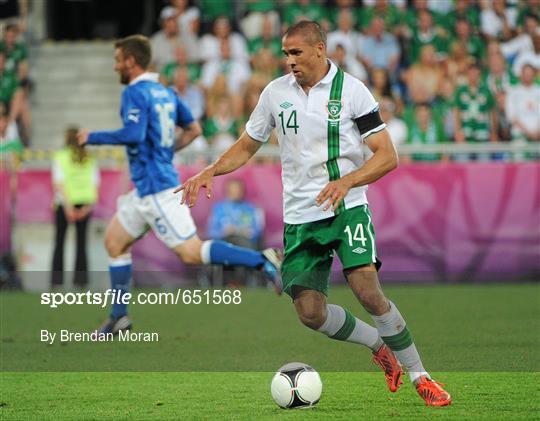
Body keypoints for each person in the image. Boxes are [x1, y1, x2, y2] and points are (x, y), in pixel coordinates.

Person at [177, 21, 451, 407]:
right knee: (310, 314)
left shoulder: (353, 91)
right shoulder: (275, 93)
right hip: (301, 217)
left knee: (368, 292)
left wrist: (348, 182)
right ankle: (377, 345)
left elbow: (387, 155)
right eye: (286, 54)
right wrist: (210, 170)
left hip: (347, 207)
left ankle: (421, 377)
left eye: (296, 53)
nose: (289, 61)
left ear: (320, 50)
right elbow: (247, 144)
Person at [76, 35, 280, 334]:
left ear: (131, 62)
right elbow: (195, 129)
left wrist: (92, 137)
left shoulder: (135, 93)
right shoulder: (165, 92)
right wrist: (163, 152)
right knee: (114, 242)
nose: (115, 65)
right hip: (144, 191)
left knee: (191, 252)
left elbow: (133, 134)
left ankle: (261, 260)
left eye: (118, 59)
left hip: (158, 190)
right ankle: (119, 317)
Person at [51, 127, 99, 289]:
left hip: (65, 205)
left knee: (59, 243)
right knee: (81, 244)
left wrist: (67, 207)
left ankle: (56, 282)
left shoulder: (61, 156)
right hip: (84, 203)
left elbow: (58, 183)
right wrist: (87, 207)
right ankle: (81, 281)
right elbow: (95, 184)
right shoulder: (90, 158)